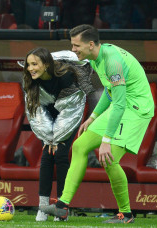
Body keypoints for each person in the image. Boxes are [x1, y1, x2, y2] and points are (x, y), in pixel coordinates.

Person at [40, 24, 154, 224]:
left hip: (136, 109)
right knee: (79, 146)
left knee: (108, 158)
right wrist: (93, 117)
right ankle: (62, 207)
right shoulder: (95, 59)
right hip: (122, 104)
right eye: (72, 45)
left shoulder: (112, 62)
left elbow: (119, 104)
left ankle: (125, 215)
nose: (74, 50)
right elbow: (110, 93)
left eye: (76, 46)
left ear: (91, 44)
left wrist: (106, 139)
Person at [22, 47, 94, 221]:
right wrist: (48, 137)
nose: (31, 68)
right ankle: (43, 207)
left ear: (46, 65)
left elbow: (71, 110)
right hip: (47, 113)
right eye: (28, 65)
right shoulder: (29, 79)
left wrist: (58, 137)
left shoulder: (66, 76)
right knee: (47, 153)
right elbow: (35, 112)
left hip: (71, 111)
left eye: (35, 64)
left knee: (61, 154)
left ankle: (61, 208)